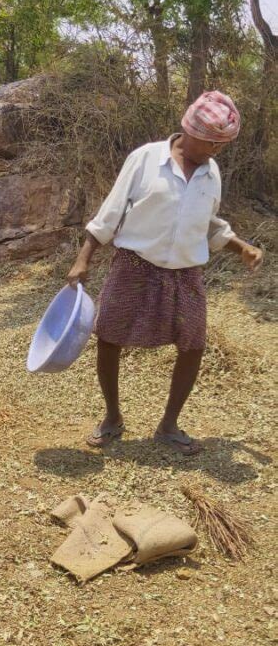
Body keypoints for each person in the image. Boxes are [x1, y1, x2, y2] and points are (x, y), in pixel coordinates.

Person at [67, 91, 263, 454]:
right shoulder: (145, 159)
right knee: (110, 336)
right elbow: (110, 212)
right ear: (189, 129)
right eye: (210, 142)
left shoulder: (211, 172)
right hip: (134, 264)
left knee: (193, 344)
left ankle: (168, 425)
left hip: (185, 271)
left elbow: (208, 221)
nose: (214, 151)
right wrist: (84, 258)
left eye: (221, 145)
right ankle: (112, 418)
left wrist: (241, 247)